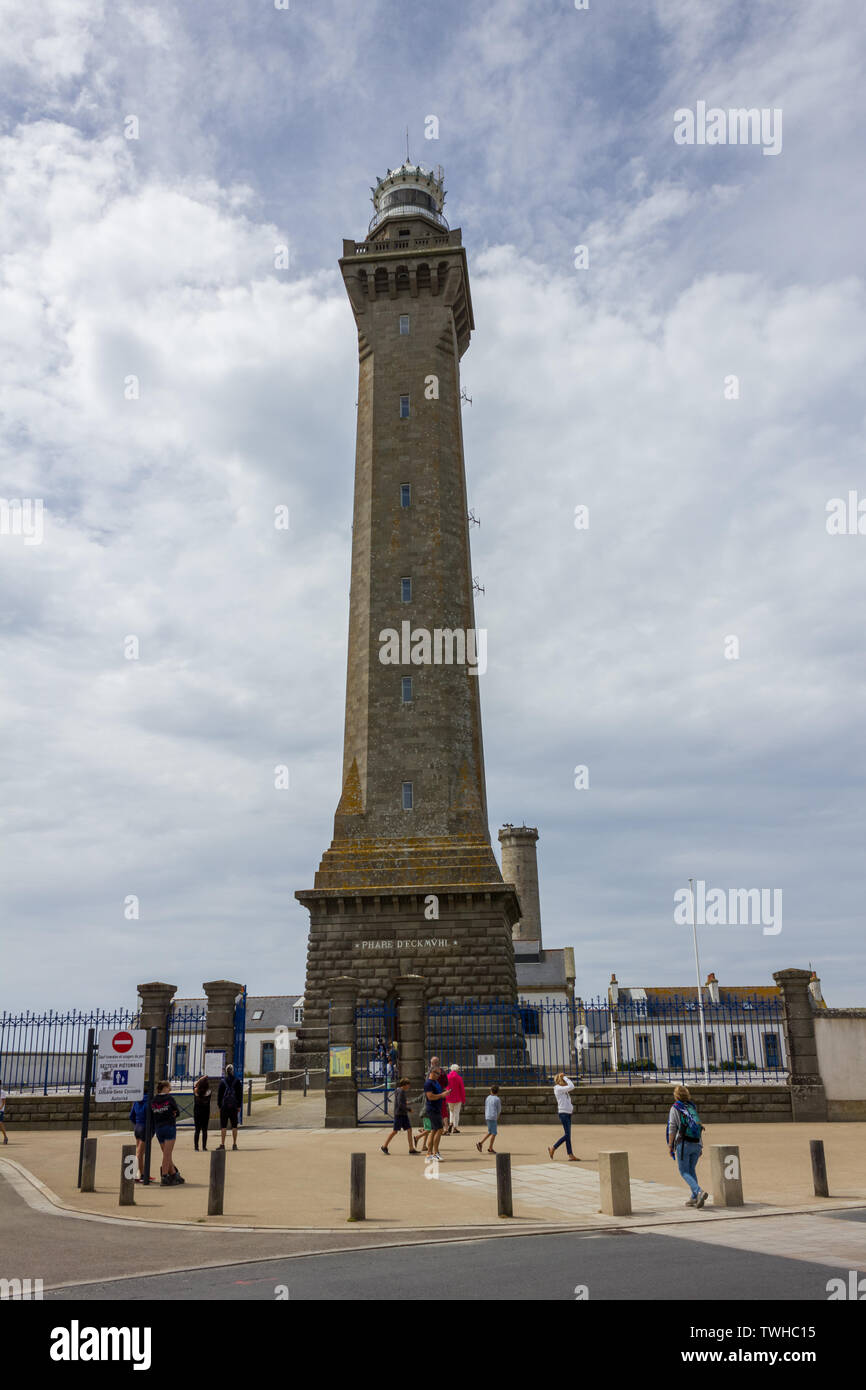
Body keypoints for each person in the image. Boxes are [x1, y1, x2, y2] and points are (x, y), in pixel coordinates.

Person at [667, 1084, 708, 1208]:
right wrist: (701, 1145)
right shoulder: (692, 1107)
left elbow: (672, 1127)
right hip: (697, 1143)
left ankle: (699, 1191)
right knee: (691, 1170)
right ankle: (694, 1197)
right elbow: (698, 1124)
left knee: (684, 1171)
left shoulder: (675, 1108)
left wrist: (670, 1145)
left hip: (684, 1144)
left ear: (676, 1096)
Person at [150, 1081, 184, 1185]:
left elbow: (152, 1113)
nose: (170, 1089)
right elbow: (177, 1112)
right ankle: (164, 1176)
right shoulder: (169, 1099)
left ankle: (174, 1174)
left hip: (158, 1128)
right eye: (169, 1087)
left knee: (166, 1153)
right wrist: (172, 1114)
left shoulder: (154, 1100)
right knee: (167, 1154)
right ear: (165, 1088)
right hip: (169, 1126)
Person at [381, 1077, 417, 1154]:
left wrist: (405, 1103)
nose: (409, 1087)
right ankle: (384, 1146)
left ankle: (411, 1148)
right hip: (400, 1114)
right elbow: (400, 1104)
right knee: (395, 1131)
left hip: (402, 1114)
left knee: (409, 1129)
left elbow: (400, 1102)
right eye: (408, 1085)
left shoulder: (399, 1090)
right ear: (404, 1085)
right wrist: (408, 1109)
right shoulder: (401, 1092)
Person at [548, 1073, 579, 1161]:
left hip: (567, 1114)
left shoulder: (564, 1091)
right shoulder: (558, 1088)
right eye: (564, 1080)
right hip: (564, 1114)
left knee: (568, 1135)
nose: (565, 1082)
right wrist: (565, 1077)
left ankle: (570, 1155)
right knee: (567, 1135)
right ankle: (553, 1148)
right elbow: (572, 1086)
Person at [423, 1067, 451, 1161]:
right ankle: (435, 1153)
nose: (439, 1076)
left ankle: (429, 1153)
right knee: (439, 1129)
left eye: (439, 1074)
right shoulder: (428, 1083)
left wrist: (445, 1093)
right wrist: (442, 1095)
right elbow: (430, 1097)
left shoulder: (436, 1082)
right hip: (432, 1109)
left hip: (436, 1109)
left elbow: (438, 1093)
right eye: (437, 1073)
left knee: (434, 1131)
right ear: (432, 1073)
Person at [218, 1065, 242, 1150]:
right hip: (234, 1106)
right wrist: (239, 1106)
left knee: (223, 1126)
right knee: (234, 1126)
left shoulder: (222, 1081)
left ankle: (222, 1144)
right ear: (232, 1071)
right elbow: (239, 1095)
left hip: (224, 1107)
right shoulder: (237, 1081)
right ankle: (234, 1144)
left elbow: (219, 1095)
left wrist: (220, 1106)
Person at [128, 1092, 149, 1179]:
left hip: (137, 1126)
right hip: (145, 1127)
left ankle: (142, 1173)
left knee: (139, 1151)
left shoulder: (136, 1101)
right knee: (140, 1152)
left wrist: (136, 1123)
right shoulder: (149, 1101)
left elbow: (131, 1116)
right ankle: (136, 1173)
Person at [476, 1084, 501, 1153]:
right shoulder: (497, 1099)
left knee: (490, 1132)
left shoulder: (488, 1097)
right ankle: (490, 1148)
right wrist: (497, 1117)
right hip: (493, 1117)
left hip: (487, 1116)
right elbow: (499, 1110)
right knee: (494, 1133)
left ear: (491, 1091)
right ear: (498, 1092)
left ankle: (480, 1143)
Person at [192, 1075, 211, 1152]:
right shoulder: (208, 1092)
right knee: (204, 1130)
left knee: (197, 1130)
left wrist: (200, 1079)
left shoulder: (196, 1091)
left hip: (197, 1112)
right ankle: (204, 1147)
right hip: (205, 1112)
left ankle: (196, 1147)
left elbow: (195, 1085)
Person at [445, 1064, 466, 1134]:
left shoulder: (447, 1077)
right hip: (458, 1097)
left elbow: (445, 1087)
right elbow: (462, 1090)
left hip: (449, 1097)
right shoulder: (459, 1078)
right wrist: (463, 1099)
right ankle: (455, 1127)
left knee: (451, 1111)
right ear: (457, 1070)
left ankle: (451, 1123)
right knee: (456, 1113)